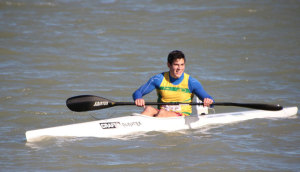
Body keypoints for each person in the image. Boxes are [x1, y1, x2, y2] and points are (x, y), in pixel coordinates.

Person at [132, 50, 214, 117]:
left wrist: (208, 101)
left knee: (162, 113)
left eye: (182, 65)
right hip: (162, 113)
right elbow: (137, 92)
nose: (180, 68)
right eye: (176, 65)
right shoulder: (158, 79)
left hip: (181, 116)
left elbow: (210, 100)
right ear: (169, 65)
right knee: (148, 109)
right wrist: (138, 98)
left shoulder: (191, 82)